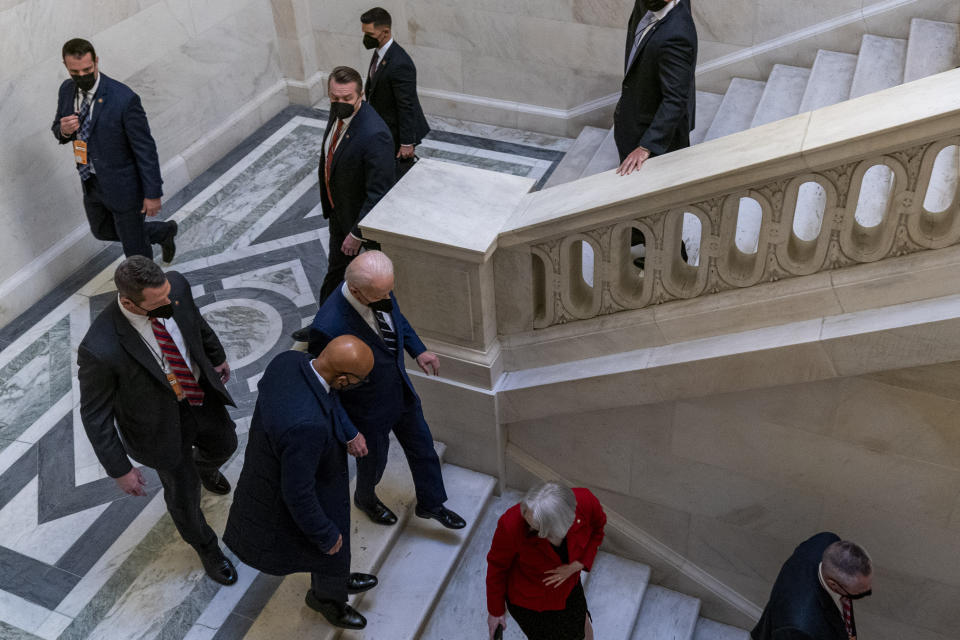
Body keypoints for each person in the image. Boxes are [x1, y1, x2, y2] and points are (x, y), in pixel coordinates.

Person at [78, 256, 237, 585]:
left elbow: (195, 324)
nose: (169, 301)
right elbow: (94, 415)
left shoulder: (175, 285)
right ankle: (207, 548)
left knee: (226, 443)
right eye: (159, 301)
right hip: (157, 426)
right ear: (128, 302)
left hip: (199, 397)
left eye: (168, 294)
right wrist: (119, 468)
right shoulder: (100, 347)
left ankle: (204, 466)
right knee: (183, 494)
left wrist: (216, 356)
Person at [224, 338, 378, 630]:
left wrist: (348, 431)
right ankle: (327, 600)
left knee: (334, 552)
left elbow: (327, 394)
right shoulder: (307, 427)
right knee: (330, 545)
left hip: (285, 466)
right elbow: (297, 493)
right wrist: (325, 534)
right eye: (360, 380)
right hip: (291, 490)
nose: (361, 383)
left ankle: (336, 579)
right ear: (344, 379)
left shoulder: (289, 362)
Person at [307, 250, 466, 530]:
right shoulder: (328, 327)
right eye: (382, 295)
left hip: (400, 392)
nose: (388, 297)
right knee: (373, 464)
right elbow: (325, 389)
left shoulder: (379, 288)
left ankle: (431, 504)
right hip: (366, 411)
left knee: (423, 447)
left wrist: (418, 350)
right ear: (356, 291)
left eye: (389, 291)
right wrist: (349, 431)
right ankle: (365, 498)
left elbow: (397, 320)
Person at [53, 38, 178, 261]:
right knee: (101, 231)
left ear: (96, 62)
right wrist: (63, 130)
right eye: (75, 71)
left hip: (124, 186)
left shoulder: (124, 99)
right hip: (91, 181)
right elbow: (58, 129)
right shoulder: (66, 90)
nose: (82, 76)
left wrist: (152, 193)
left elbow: (145, 149)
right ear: (65, 65)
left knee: (135, 251)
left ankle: (144, 294)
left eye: (87, 69)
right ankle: (162, 231)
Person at [486, 483, 606, 640]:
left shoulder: (584, 501)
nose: (527, 528)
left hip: (569, 588)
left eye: (534, 527)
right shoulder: (511, 524)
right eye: (526, 517)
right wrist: (496, 611)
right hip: (531, 603)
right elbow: (497, 567)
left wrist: (578, 564)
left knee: (582, 630)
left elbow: (598, 528)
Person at [614, 0, 698, 176]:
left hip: (648, 135)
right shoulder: (646, 4)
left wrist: (646, 146)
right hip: (631, 117)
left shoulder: (678, 36)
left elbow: (675, 100)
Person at [752, 532, 873, 640]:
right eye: (859, 594)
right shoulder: (799, 628)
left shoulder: (826, 540)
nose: (867, 592)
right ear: (833, 584)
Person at [361, 7, 431, 178]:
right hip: (383, 124)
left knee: (396, 173)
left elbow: (406, 105)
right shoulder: (380, 53)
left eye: (369, 34)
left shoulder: (400, 63)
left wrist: (407, 143)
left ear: (385, 32)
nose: (365, 39)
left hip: (396, 131)